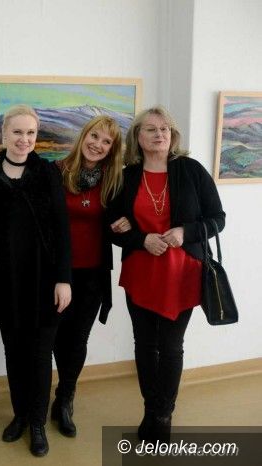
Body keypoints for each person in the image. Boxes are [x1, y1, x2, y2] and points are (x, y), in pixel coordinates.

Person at [106, 106, 225, 443]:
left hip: (182, 271)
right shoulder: (126, 176)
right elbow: (112, 225)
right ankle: (150, 408)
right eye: (151, 129)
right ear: (138, 137)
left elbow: (217, 218)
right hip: (141, 271)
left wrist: (186, 232)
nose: (159, 134)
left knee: (171, 346)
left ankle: (163, 414)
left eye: (165, 129)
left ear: (172, 135)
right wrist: (140, 239)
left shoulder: (191, 170)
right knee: (144, 344)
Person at [0, 104, 71, 457]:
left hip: (45, 279)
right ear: (4, 134)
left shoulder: (48, 173)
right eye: (17, 132)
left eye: (31, 133)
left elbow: (61, 228)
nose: (24, 139)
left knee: (40, 354)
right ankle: (20, 415)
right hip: (6, 281)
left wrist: (64, 279)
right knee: (14, 351)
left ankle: (37, 423)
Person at [52, 115, 127, 437]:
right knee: (56, 335)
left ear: (112, 149)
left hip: (93, 273)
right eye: (94, 136)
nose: (98, 144)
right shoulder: (56, 172)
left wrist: (127, 223)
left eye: (106, 141)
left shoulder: (113, 181)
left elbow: (127, 217)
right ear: (84, 136)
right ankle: (55, 395)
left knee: (78, 337)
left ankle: (65, 397)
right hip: (57, 272)